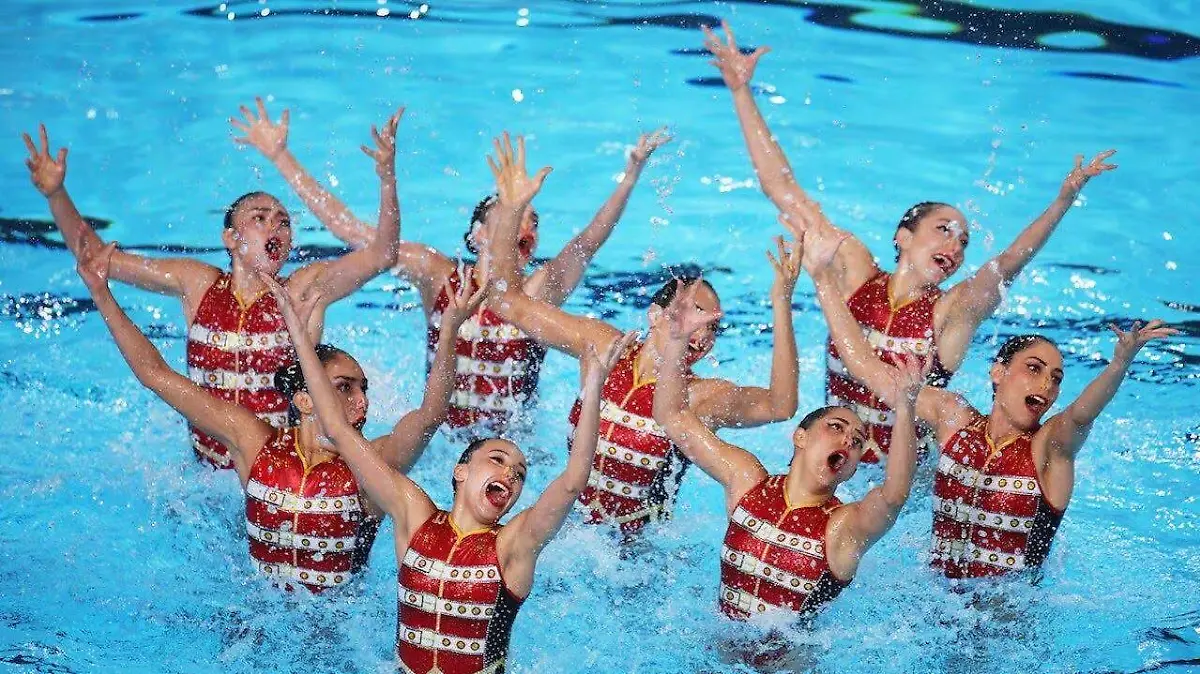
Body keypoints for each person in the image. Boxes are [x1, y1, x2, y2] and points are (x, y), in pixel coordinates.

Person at [703, 21, 1118, 462]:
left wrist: (1063, 200)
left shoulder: (950, 312)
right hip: (833, 462)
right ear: (903, 237)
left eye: (964, 241)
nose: (956, 247)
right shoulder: (854, 271)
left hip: (901, 482)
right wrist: (741, 93)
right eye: (943, 229)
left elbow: (1011, 261)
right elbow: (783, 190)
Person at [273, 248, 637, 673]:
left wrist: (592, 389)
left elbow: (574, 480)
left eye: (519, 474)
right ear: (460, 471)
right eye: (498, 460)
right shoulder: (413, 515)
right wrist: (301, 338)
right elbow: (336, 427)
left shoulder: (512, 545)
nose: (510, 474)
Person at [72, 232, 486, 591]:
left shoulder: (372, 467)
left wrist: (449, 331)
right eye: (343, 387)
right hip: (253, 618)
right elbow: (154, 374)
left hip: (334, 635)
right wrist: (100, 292)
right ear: (305, 399)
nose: (361, 401)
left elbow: (431, 414)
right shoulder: (251, 440)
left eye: (363, 389)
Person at [233, 98, 672, 433]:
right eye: (512, 215)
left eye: (532, 221)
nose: (525, 228)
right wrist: (280, 156)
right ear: (478, 234)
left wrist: (629, 177)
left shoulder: (538, 292)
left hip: (509, 442)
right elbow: (352, 232)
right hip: (438, 438)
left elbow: (587, 242)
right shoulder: (438, 275)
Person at [802, 210, 1178, 578]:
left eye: (1056, 378)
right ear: (998, 372)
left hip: (1008, 621)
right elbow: (864, 366)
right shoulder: (952, 417)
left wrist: (1119, 364)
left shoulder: (1048, 449)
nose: (1045, 385)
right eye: (1034, 369)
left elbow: (1082, 414)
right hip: (934, 608)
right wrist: (820, 278)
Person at [22, 108, 404, 468]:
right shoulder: (198, 284)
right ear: (230, 237)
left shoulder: (303, 289)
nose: (276, 227)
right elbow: (94, 255)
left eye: (284, 222)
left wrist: (387, 179)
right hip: (205, 476)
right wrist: (56, 194)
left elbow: (383, 255)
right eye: (260, 218)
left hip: (276, 473)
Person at [485, 133, 800, 535]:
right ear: (655, 315)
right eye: (690, 314)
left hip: (635, 558)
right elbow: (506, 303)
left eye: (711, 327)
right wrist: (511, 213)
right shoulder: (602, 346)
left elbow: (780, 405)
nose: (698, 333)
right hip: (568, 535)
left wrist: (781, 303)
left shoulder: (698, 397)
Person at [654, 280, 927, 619]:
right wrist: (678, 343)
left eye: (857, 442)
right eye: (836, 428)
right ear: (800, 437)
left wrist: (905, 409)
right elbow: (672, 416)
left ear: (853, 466)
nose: (847, 441)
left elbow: (895, 494)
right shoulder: (747, 481)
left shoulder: (844, 528)